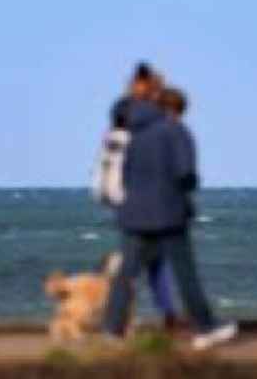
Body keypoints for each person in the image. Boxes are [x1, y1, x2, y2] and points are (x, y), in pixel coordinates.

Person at [102, 77, 237, 350]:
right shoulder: (176, 131)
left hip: (134, 214)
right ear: (176, 110)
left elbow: (125, 174)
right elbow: (185, 173)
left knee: (126, 274)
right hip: (168, 213)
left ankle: (112, 330)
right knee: (185, 273)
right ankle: (205, 328)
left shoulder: (136, 134)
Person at [94, 63, 181, 331]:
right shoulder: (139, 124)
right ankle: (119, 323)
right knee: (143, 265)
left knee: (148, 263)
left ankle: (153, 316)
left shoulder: (122, 121)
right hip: (141, 202)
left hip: (128, 200)